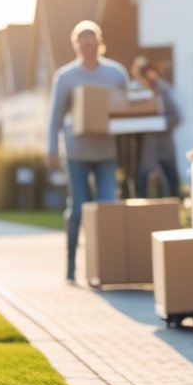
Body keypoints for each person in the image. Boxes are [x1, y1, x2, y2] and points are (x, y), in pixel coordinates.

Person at [45, 20, 130, 283]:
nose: (87, 48)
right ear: (76, 46)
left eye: (91, 43)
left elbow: (127, 110)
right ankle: (71, 266)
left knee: (107, 208)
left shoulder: (116, 74)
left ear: (98, 44)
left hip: (106, 151)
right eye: (82, 44)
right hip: (76, 153)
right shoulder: (66, 76)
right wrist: (51, 148)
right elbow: (56, 115)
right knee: (79, 209)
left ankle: (104, 268)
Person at [131, 57, 183, 199]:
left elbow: (177, 117)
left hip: (164, 144)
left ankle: (175, 210)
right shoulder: (133, 91)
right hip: (145, 147)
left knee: (172, 181)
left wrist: (160, 123)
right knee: (142, 182)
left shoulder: (163, 89)